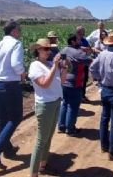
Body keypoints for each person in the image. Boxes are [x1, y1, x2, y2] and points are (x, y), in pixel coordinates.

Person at [0, 20, 26, 170]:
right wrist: (22, 74)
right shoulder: (16, 44)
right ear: (14, 31)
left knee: (3, 119)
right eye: (19, 29)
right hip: (9, 86)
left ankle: (7, 150)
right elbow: (16, 64)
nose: (20, 32)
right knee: (16, 117)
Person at [28, 38, 67, 176]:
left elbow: (61, 81)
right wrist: (54, 67)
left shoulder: (50, 63)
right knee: (40, 140)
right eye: (45, 49)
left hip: (56, 102)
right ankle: (33, 173)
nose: (48, 51)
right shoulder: (35, 66)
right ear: (37, 50)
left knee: (48, 137)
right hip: (45, 105)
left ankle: (43, 166)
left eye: (49, 49)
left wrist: (64, 68)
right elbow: (44, 83)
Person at [58, 34, 91, 135]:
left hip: (64, 81)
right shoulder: (78, 52)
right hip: (75, 82)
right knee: (73, 106)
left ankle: (61, 126)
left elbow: (61, 61)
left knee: (65, 103)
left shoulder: (64, 50)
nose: (80, 41)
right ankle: (70, 128)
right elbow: (88, 60)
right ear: (73, 41)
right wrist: (87, 51)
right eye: (77, 40)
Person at [75, 26, 92, 102]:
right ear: (78, 32)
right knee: (77, 80)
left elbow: (89, 48)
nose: (84, 33)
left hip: (84, 63)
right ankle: (78, 96)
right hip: (77, 64)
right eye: (82, 31)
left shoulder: (84, 40)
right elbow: (73, 47)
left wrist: (88, 49)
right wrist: (83, 48)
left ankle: (82, 95)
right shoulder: (74, 39)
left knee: (84, 79)